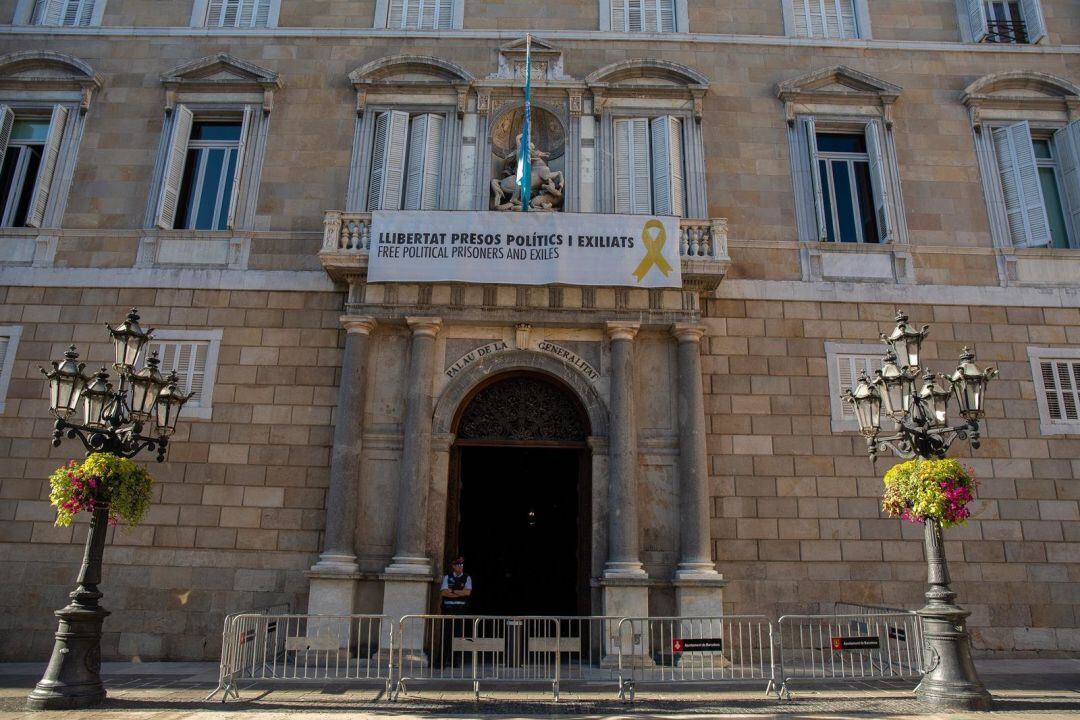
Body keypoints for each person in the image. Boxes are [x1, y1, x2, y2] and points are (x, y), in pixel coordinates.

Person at [439, 557, 472, 667]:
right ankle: (442, 660)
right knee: (446, 635)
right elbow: (444, 593)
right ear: (453, 566)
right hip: (448, 609)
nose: (460, 567)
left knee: (458, 635)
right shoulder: (447, 577)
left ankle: (454, 660)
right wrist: (459, 593)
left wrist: (452, 591)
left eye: (462, 565)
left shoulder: (467, 578)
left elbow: (467, 593)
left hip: (460, 610)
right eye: (458, 565)